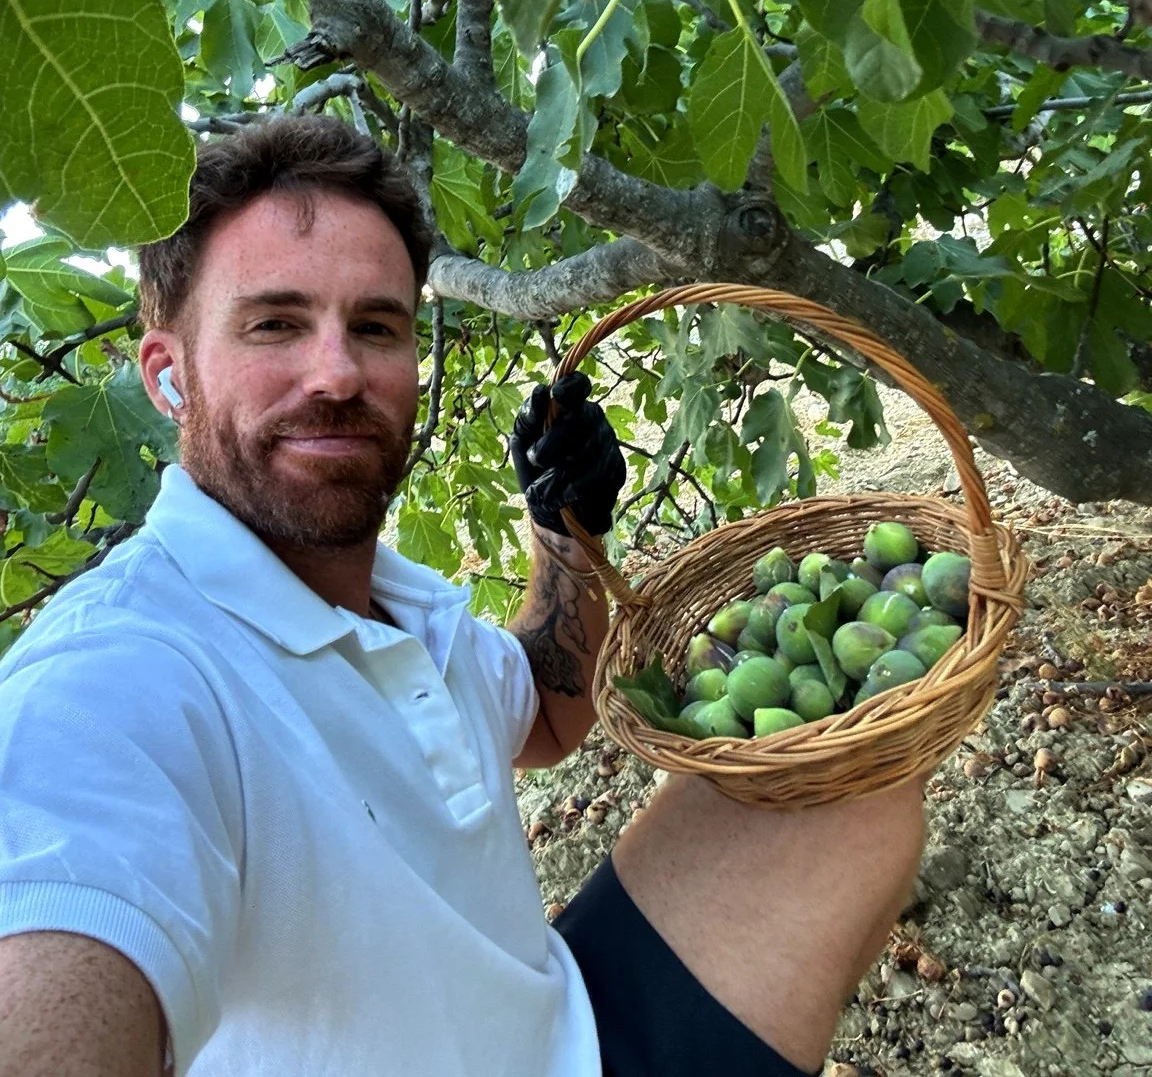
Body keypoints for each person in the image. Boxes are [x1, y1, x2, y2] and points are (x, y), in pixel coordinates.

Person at [0, 116, 924, 1077]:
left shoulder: (400, 599)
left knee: (865, 791)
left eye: (375, 326)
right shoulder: (117, 676)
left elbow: (552, 713)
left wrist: (566, 532)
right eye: (275, 323)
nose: (338, 374)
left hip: (571, 1022)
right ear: (168, 376)